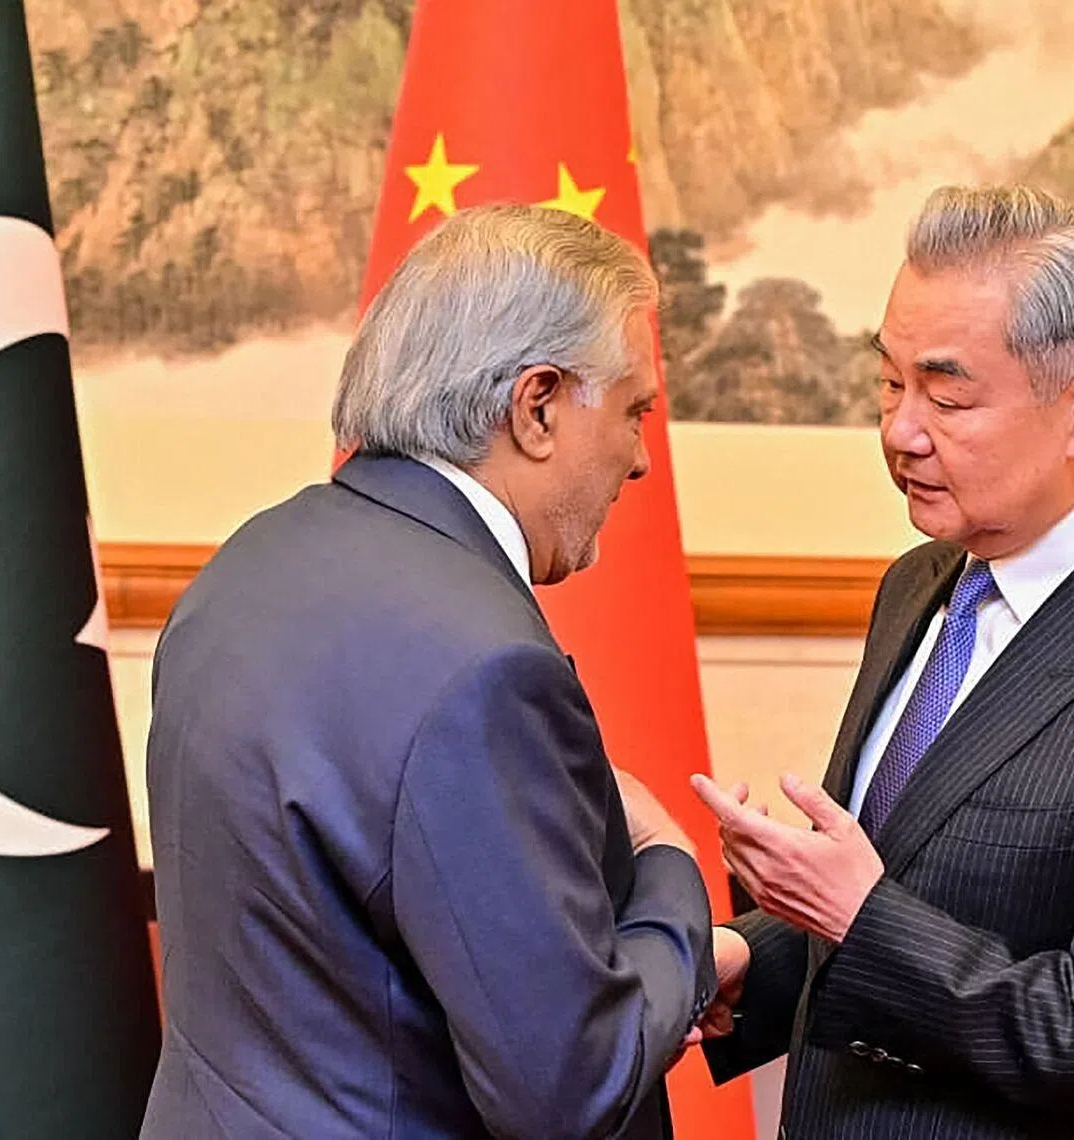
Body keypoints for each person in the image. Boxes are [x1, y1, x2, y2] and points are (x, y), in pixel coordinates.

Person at [141, 204, 716, 1140]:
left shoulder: (249, 561)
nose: (642, 458)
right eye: (634, 410)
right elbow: (568, 1090)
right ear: (536, 407)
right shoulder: (487, 671)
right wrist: (672, 884)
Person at [693, 183, 1074, 1139]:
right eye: (888, 383)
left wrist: (857, 917)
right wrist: (753, 953)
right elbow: (891, 887)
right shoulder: (917, 584)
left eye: (946, 395)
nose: (901, 430)